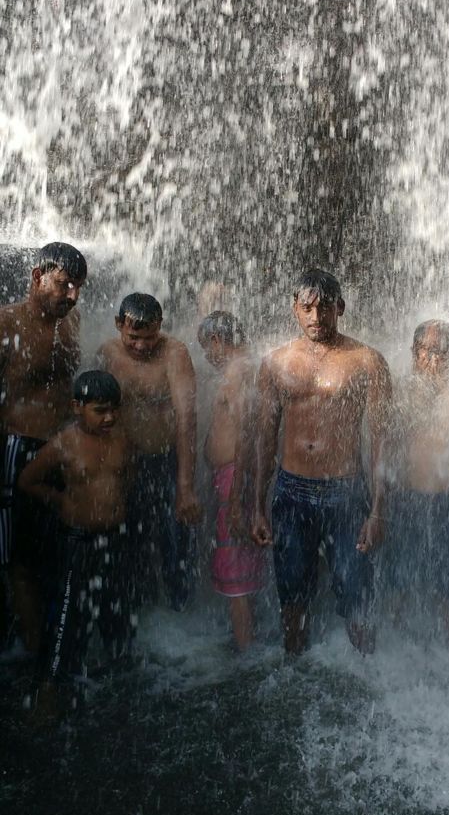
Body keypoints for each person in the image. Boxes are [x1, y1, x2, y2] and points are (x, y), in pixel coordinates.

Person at [251, 268, 392, 655]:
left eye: (325, 307)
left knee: (356, 591)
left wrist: (378, 511)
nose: (316, 317)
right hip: (291, 492)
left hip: (345, 491)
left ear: (340, 307)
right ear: (294, 308)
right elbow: (265, 439)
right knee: (292, 593)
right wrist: (257, 506)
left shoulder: (367, 362)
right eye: (307, 307)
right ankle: (294, 670)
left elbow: (381, 442)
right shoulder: (275, 363)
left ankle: (368, 674)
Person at [18, 371, 135, 707]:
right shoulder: (64, 443)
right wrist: (61, 501)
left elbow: (128, 475)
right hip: (77, 542)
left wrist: (116, 505)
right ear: (76, 407)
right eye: (100, 410)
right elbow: (27, 480)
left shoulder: (122, 439)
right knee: (67, 614)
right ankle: (50, 686)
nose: (109, 417)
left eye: (114, 409)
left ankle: (120, 675)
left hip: (113, 538)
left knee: (116, 607)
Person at [0, 242, 87, 652]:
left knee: (57, 553)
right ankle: (36, 657)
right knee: (19, 559)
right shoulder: (6, 324)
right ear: (37, 277)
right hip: (18, 449)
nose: (73, 295)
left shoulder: (69, 324)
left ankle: (56, 653)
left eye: (78, 287)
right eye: (65, 284)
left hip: (63, 449)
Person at [98, 293, 201, 611]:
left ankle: (181, 612)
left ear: (160, 327)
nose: (142, 346)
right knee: (129, 541)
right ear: (119, 324)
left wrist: (185, 487)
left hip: (166, 460)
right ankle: (137, 611)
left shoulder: (174, 353)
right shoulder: (107, 353)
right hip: (124, 465)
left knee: (176, 540)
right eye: (134, 337)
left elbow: (187, 419)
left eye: (150, 337)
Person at [385, 320, 449, 637]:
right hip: (407, 499)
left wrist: (444, 390)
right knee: (399, 580)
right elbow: (388, 446)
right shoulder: (401, 390)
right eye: (428, 351)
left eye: (443, 351)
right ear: (414, 353)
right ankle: (396, 645)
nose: (435, 359)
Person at [199, 311, 267, 650]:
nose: (206, 357)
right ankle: (248, 643)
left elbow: (245, 433)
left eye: (205, 349)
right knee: (241, 564)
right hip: (231, 479)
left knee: (235, 568)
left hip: (233, 480)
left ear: (216, 341)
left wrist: (238, 498)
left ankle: (245, 653)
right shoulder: (245, 367)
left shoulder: (239, 371)